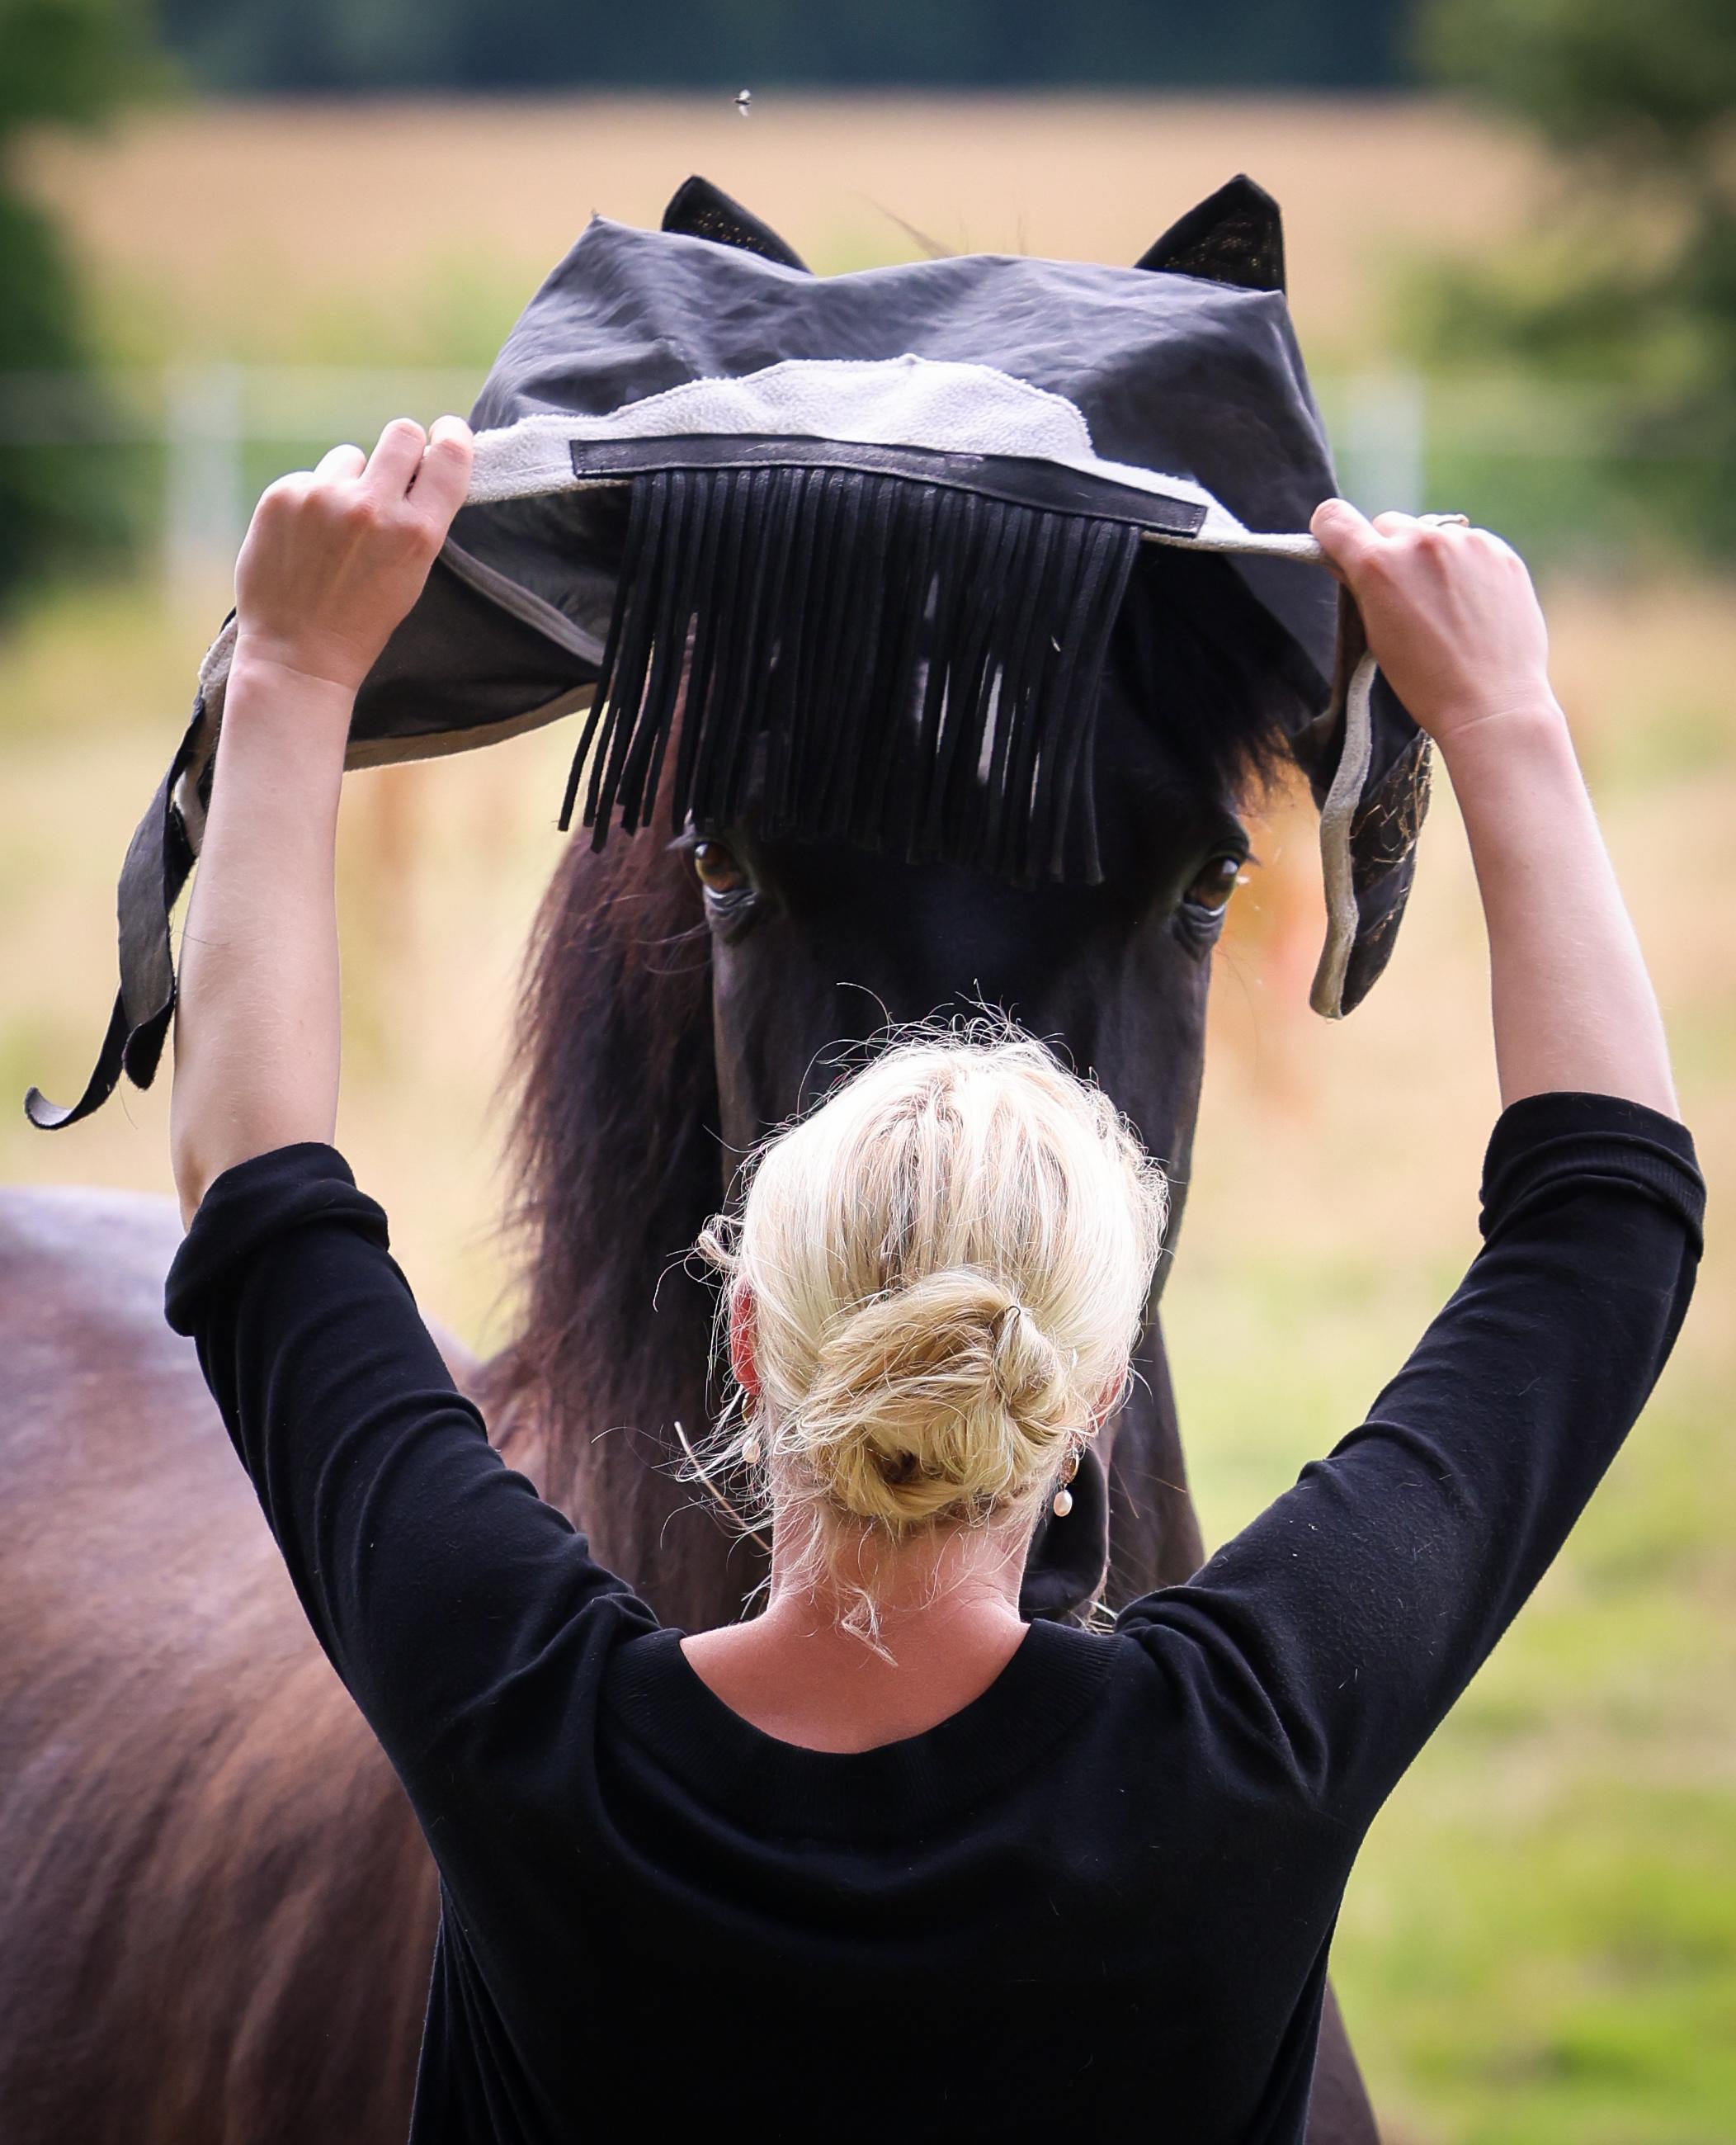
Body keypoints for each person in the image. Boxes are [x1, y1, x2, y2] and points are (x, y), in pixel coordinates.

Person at [164, 416, 1703, 2144]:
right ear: (1094, 1382)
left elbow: (253, 1184)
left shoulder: (515, 1720)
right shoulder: (1248, 1751)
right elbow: (1603, 1233)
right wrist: (1502, 716)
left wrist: (291, 669)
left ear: (744, 1333)